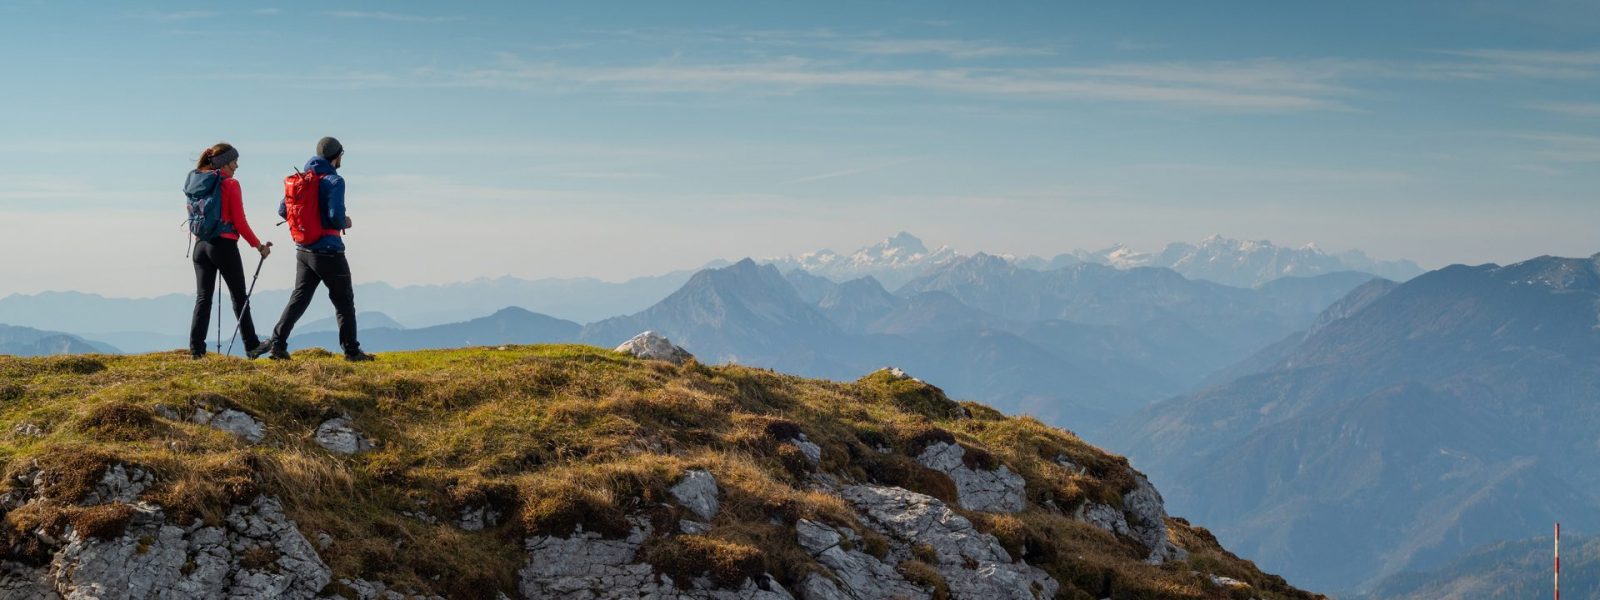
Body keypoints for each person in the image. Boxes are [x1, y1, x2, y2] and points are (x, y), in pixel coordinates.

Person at [257, 137, 375, 362]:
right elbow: (335, 217)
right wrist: (346, 222)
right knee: (344, 301)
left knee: (299, 298)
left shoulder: (301, 180)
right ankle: (351, 351)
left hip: (303, 251)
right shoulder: (334, 181)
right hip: (329, 251)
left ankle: (278, 345)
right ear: (336, 156)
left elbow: (283, 210)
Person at [185, 143, 272, 359]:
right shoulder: (231, 184)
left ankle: (197, 351)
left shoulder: (198, 183)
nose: (237, 166)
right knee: (239, 297)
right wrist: (259, 246)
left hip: (200, 246)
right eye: (234, 161)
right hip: (223, 246)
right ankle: (251, 345)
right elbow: (240, 223)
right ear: (224, 163)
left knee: (203, 298)